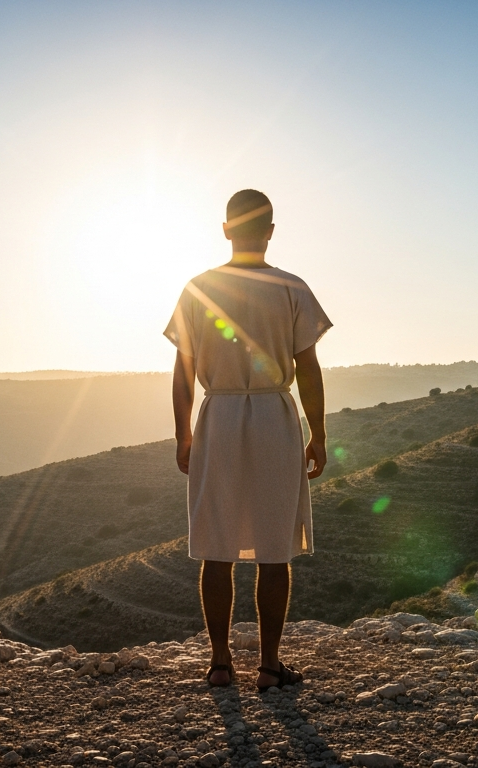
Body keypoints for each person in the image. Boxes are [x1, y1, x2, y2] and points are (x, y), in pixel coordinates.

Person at [165, 189, 332, 691]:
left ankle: (219, 664)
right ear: (271, 231)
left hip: (218, 416)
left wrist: (184, 433)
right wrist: (319, 433)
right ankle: (269, 666)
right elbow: (309, 370)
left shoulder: (198, 289)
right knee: (273, 547)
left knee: (215, 545)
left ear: (225, 229)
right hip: (275, 418)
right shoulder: (291, 288)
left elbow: (183, 372)